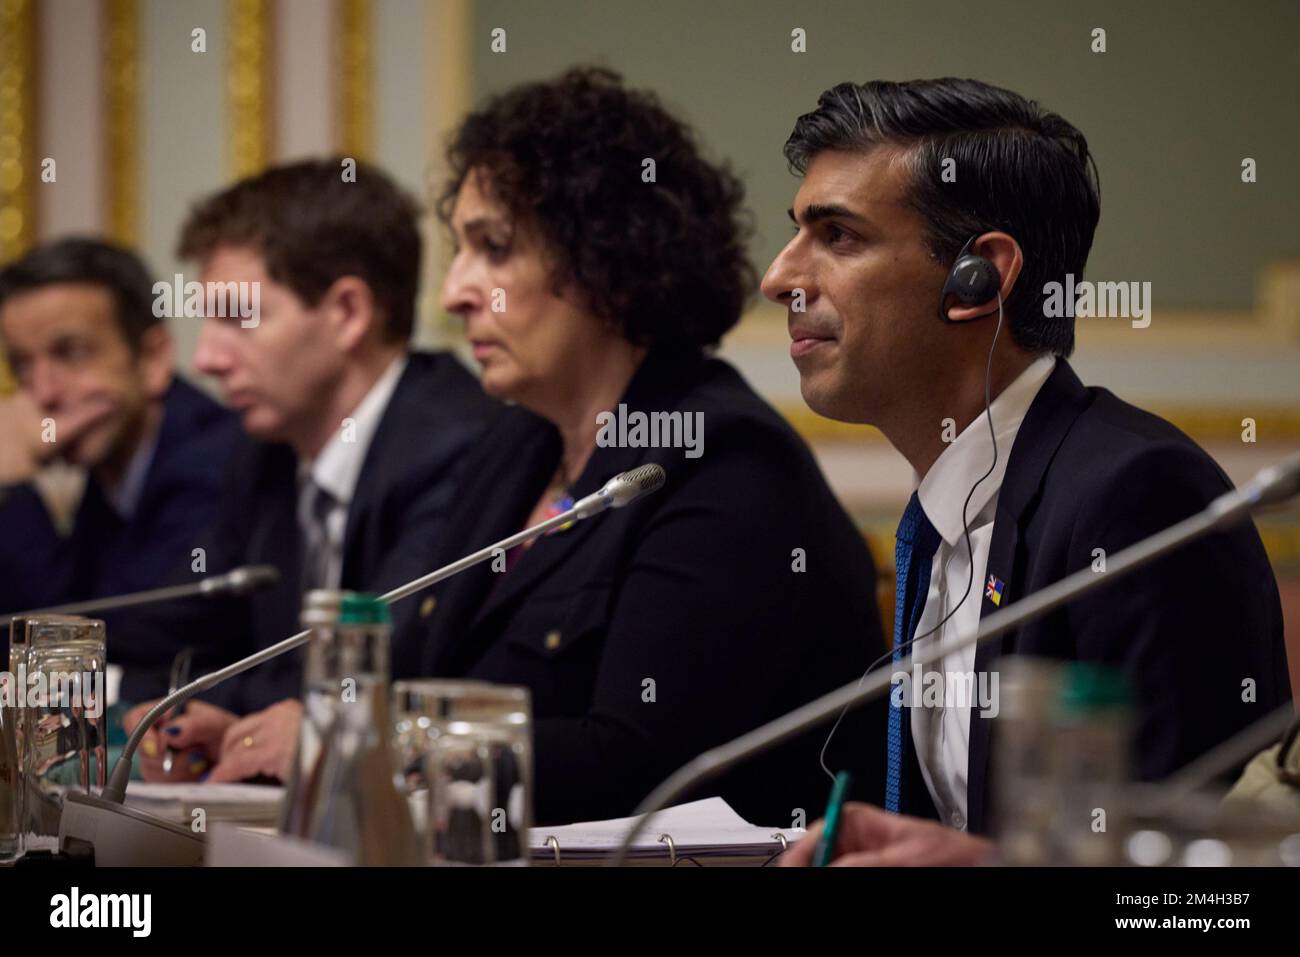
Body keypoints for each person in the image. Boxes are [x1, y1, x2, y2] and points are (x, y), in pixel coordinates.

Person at [186, 68, 888, 827]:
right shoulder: (514, 445)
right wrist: (279, 731)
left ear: (605, 258)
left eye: (493, 248)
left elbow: (633, 762)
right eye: (459, 250)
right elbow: (414, 674)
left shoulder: (724, 461)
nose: (454, 291)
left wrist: (365, 742)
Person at [761, 78, 1291, 861]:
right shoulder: (945, 515)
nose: (779, 277)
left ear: (979, 277)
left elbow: (1210, 900)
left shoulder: (1138, 501)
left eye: (837, 236)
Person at [122, 159, 495, 764]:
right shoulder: (266, 454)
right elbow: (169, 628)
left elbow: (367, 675)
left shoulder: (458, 446)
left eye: (239, 318)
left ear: (348, 312)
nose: (208, 358)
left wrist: (222, 701)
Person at [0, 238, 240, 695]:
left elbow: (75, 664)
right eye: (22, 366)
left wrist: (14, 488)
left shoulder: (218, 463)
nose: (44, 393)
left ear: (152, 359)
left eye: (70, 353)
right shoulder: (107, 463)